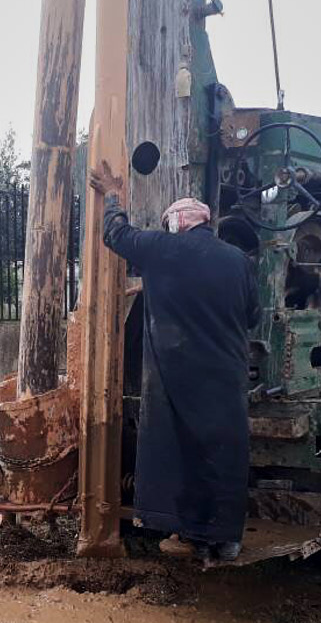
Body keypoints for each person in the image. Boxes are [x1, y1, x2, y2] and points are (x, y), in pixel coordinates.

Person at [89, 162, 260, 561]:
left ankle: (185, 530)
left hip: (179, 375)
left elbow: (115, 233)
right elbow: (252, 316)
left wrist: (113, 194)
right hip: (226, 376)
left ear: (175, 224)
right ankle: (226, 539)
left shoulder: (163, 249)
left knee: (181, 451)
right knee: (223, 452)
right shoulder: (238, 262)